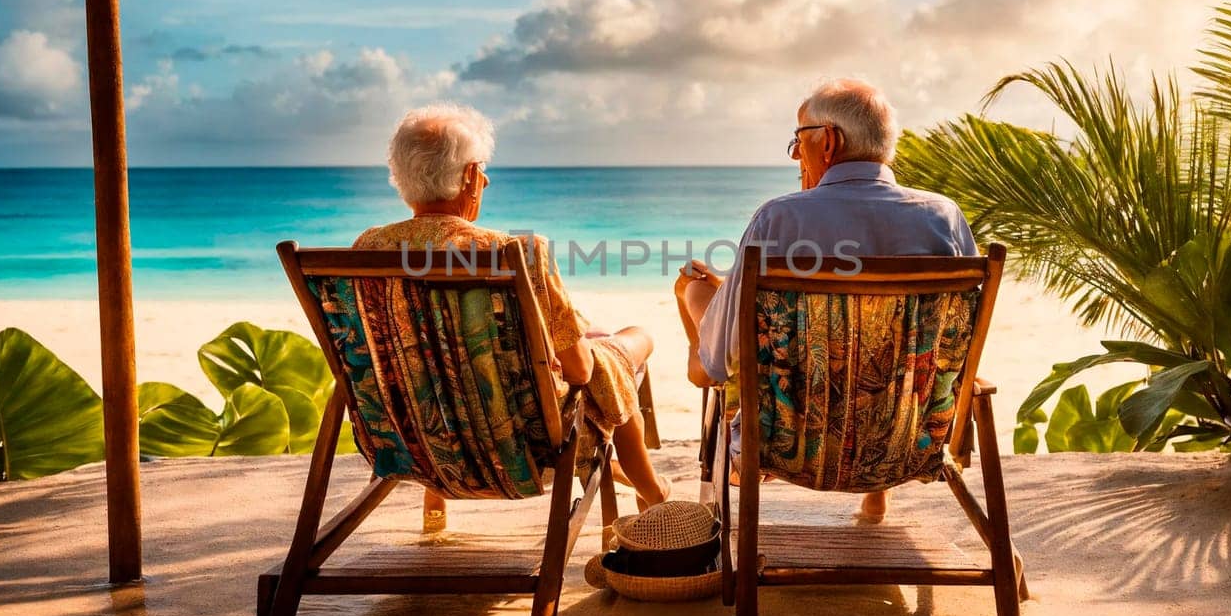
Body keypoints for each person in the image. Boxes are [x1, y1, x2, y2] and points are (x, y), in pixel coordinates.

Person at [675, 78, 978, 523]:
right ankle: (879, 492)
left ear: (829, 141)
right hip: (907, 441)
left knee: (693, 289)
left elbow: (722, 363)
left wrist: (705, 301)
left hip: (792, 443)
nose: (796, 156)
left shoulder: (779, 218)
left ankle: (705, 302)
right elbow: (956, 343)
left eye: (798, 141)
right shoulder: (943, 217)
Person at [357, 103, 669, 532]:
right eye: (481, 170)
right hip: (519, 443)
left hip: (409, 437)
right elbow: (577, 369)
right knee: (621, 349)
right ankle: (654, 494)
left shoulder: (366, 251)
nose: (484, 180)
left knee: (598, 346)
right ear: (469, 176)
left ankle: (435, 508)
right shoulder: (519, 253)